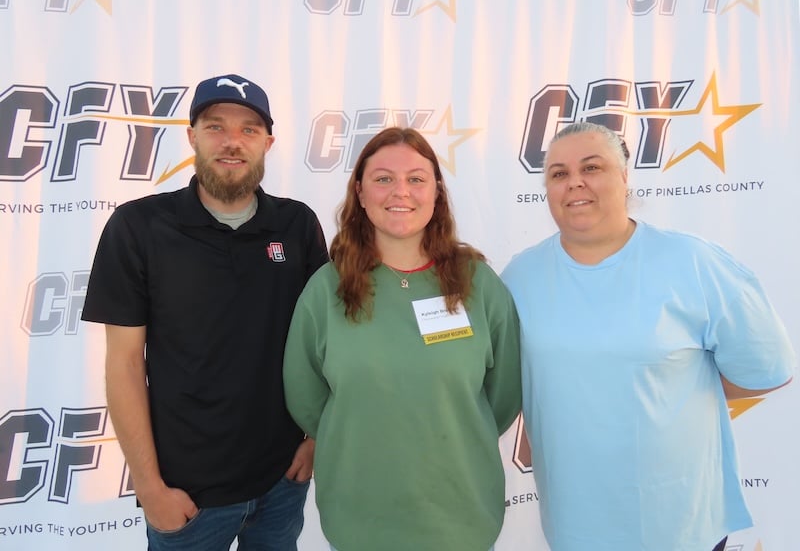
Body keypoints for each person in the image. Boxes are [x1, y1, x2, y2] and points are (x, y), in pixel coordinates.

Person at [501, 122, 796, 551]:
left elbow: (766, 369)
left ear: (624, 178)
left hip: (680, 526)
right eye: (559, 173)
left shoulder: (693, 262)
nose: (575, 183)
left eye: (592, 167)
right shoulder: (519, 278)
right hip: (575, 525)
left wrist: (672, 390)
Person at [82, 73, 329, 550]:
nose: (232, 142)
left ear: (268, 142)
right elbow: (125, 364)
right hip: (187, 496)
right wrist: (149, 487)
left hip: (282, 481)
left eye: (249, 129)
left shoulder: (296, 224)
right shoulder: (139, 227)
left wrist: (317, 438)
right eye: (215, 127)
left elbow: (328, 343)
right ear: (191, 136)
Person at [282, 126, 521, 551]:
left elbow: (503, 393)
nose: (401, 192)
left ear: (437, 191)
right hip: (360, 517)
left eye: (416, 178)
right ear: (359, 191)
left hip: (461, 516)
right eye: (383, 178)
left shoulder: (477, 283)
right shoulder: (326, 289)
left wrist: (454, 427)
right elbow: (305, 395)